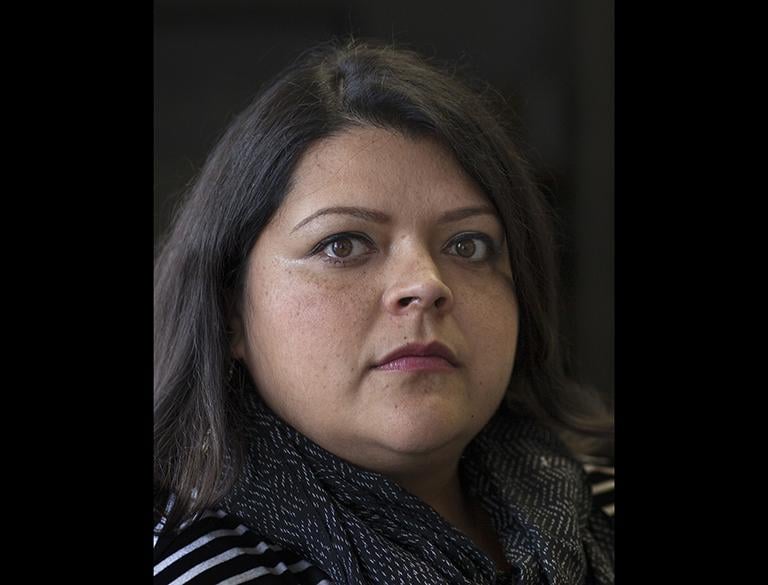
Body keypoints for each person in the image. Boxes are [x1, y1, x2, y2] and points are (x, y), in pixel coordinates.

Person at [153, 38, 614, 585]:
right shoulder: (203, 565)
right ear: (230, 308)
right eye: (343, 245)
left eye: (468, 245)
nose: (426, 284)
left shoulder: (595, 502)